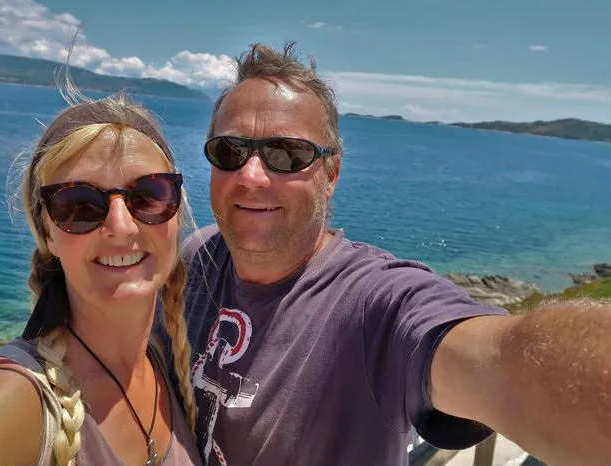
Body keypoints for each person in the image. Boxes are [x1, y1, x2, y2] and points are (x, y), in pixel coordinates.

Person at [180, 43, 611, 465]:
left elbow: (505, 365)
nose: (251, 176)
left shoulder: (373, 304)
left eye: (287, 154)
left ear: (331, 174)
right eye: (230, 151)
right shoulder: (200, 256)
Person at [0, 94, 202, 465]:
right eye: (79, 205)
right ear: (47, 232)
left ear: (177, 214)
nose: (122, 227)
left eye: (148, 196)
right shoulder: (13, 400)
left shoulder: (167, 363)